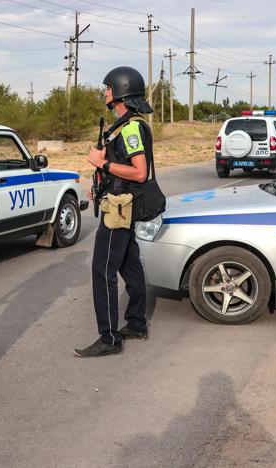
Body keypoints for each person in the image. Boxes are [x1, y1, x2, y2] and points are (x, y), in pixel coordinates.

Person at [74, 66, 154, 358]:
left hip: (119, 209)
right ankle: (136, 324)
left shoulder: (131, 127)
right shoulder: (123, 126)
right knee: (130, 267)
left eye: (108, 88)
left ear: (120, 92)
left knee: (102, 269)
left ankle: (108, 338)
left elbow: (140, 172)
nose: (105, 93)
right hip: (120, 203)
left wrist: (103, 165)